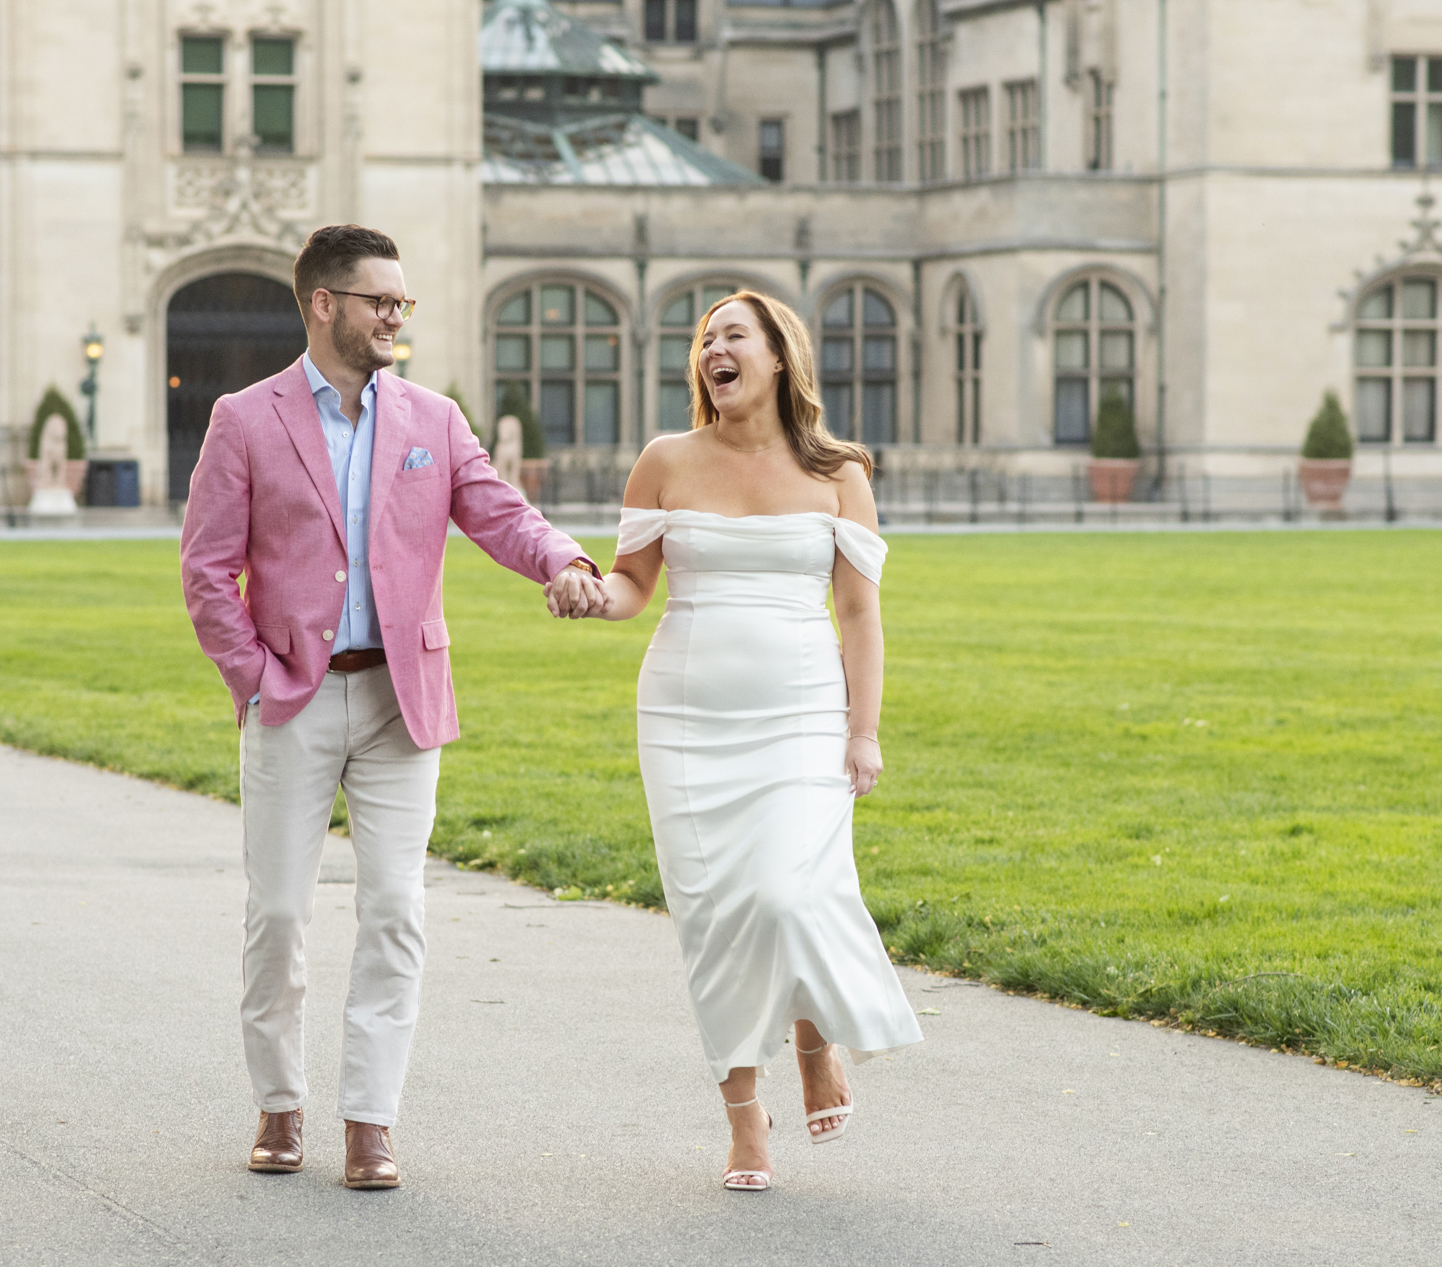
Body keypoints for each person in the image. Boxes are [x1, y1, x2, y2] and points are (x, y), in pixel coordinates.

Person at [180, 224, 609, 1190]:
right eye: (382, 300)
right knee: (280, 915)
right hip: (290, 699)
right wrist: (251, 676)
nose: (396, 316)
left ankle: (370, 1121)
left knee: (395, 910)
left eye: (403, 302)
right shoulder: (245, 419)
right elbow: (208, 570)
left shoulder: (431, 417)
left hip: (401, 699)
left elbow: (499, 510)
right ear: (325, 303)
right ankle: (279, 1106)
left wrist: (564, 559)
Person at [561, 290, 923, 1192]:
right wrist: (589, 592)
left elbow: (861, 613)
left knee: (788, 894)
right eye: (705, 339)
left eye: (733, 335)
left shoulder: (838, 472)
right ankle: (744, 1120)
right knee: (715, 917)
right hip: (686, 717)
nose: (714, 350)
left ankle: (813, 1037)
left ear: (777, 357)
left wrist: (864, 730)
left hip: (803, 712)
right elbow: (632, 583)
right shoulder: (666, 460)